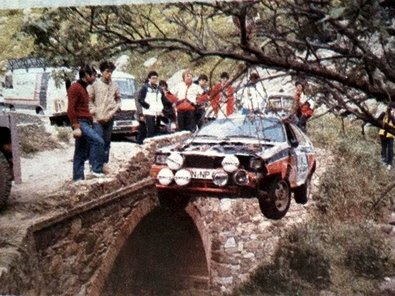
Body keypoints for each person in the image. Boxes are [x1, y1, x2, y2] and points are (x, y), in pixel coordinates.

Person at [67, 64, 105, 181]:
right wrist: (76, 126)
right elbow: (70, 109)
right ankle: (95, 169)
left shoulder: (83, 88)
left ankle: (78, 178)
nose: (94, 78)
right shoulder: (75, 87)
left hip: (85, 122)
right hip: (80, 122)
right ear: (86, 75)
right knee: (98, 141)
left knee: (80, 152)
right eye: (93, 75)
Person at [88, 60, 121, 170]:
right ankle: (95, 167)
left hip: (109, 117)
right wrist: (94, 111)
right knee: (98, 141)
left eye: (111, 72)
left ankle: (104, 164)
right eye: (107, 71)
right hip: (97, 119)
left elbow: (119, 100)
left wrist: (114, 110)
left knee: (107, 142)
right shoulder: (95, 85)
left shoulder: (115, 85)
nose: (109, 74)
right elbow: (89, 100)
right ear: (102, 72)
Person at [137, 71, 170, 140]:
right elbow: (140, 99)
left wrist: (169, 105)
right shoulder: (145, 88)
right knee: (150, 131)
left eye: (156, 78)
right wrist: (148, 107)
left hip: (157, 112)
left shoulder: (159, 88)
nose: (154, 80)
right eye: (153, 78)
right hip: (149, 112)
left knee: (157, 131)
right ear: (149, 79)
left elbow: (163, 99)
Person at [378, 103, 395, 170]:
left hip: (391, 134)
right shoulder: (384, 113)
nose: (390, 109)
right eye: (390, 108)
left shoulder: (393, 115)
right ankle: (383, 160)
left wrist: (391, 115)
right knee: (383, 147)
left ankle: (389, 163)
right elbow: (378, 120)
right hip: (383, 133)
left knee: (390, 149)